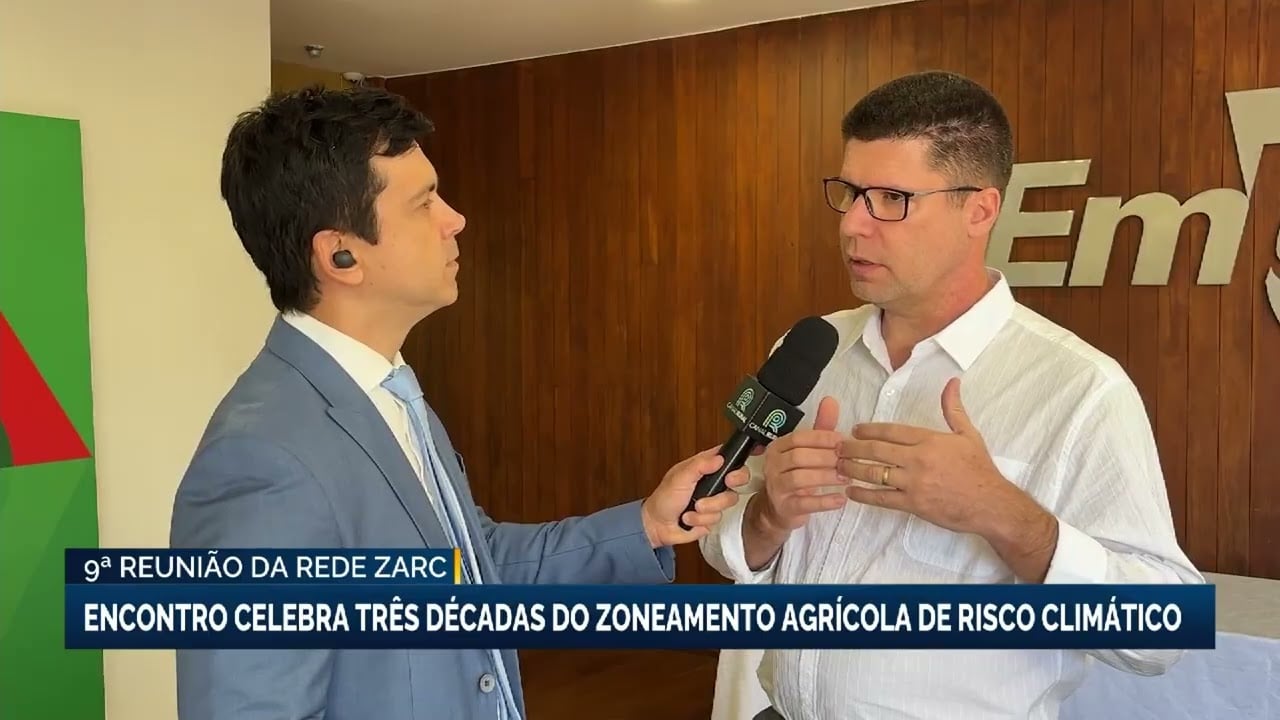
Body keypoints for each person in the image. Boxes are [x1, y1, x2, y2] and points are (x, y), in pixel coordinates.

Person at [169, 85, 748, 720]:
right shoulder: (261, 462)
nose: (455, 219)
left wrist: (646, 524)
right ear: (340, 254)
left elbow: (472, 567)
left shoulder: (390, 394)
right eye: (424, 203)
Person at [700, 70, 1204, 720]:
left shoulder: (1081, 390)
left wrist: (1003, 515)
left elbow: (1163, 635)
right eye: (849, 193)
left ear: (980, 211)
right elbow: (724, 536)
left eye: (891, 198)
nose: (852, 225)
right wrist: (767, 516)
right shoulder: (808, 351)